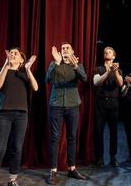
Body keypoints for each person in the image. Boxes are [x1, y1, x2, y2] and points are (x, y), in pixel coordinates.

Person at [0, 47, 38, 186]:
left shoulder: (24, 74)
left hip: (21, 115)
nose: (13, 54)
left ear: (22, 60)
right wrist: (6, 64)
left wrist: (28, 69)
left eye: (16, 53)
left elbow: (35, 87)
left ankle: (12, 179)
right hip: (2, 114)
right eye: (11, 53)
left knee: (17, 148)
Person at [45, 42, 87, 185]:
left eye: (67, 48)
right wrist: (56, 63)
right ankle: (53, 170)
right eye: (62, 48)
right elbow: (48, 79)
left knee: (72, 137)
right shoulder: (54, 64)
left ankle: (72, 168)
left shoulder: (77, 65)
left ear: (72, 51)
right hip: (56, 105)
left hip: (73, 105)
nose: (64, 50)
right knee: (55, 138)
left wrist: (75, 67)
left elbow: (84, 78)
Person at [93, 46, 123, 167]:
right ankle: (99, 158)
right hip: (100, 102)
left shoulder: (118, 70)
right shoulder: (98, 69)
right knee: (99, 131)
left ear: (114, 56)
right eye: (105, 52)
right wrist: (107, 71)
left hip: (113, 102)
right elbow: (96, 82)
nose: (106, 53)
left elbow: (120, 83)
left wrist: (114, 71)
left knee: (113, 131)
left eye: (109, 52)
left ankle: (113, 156)